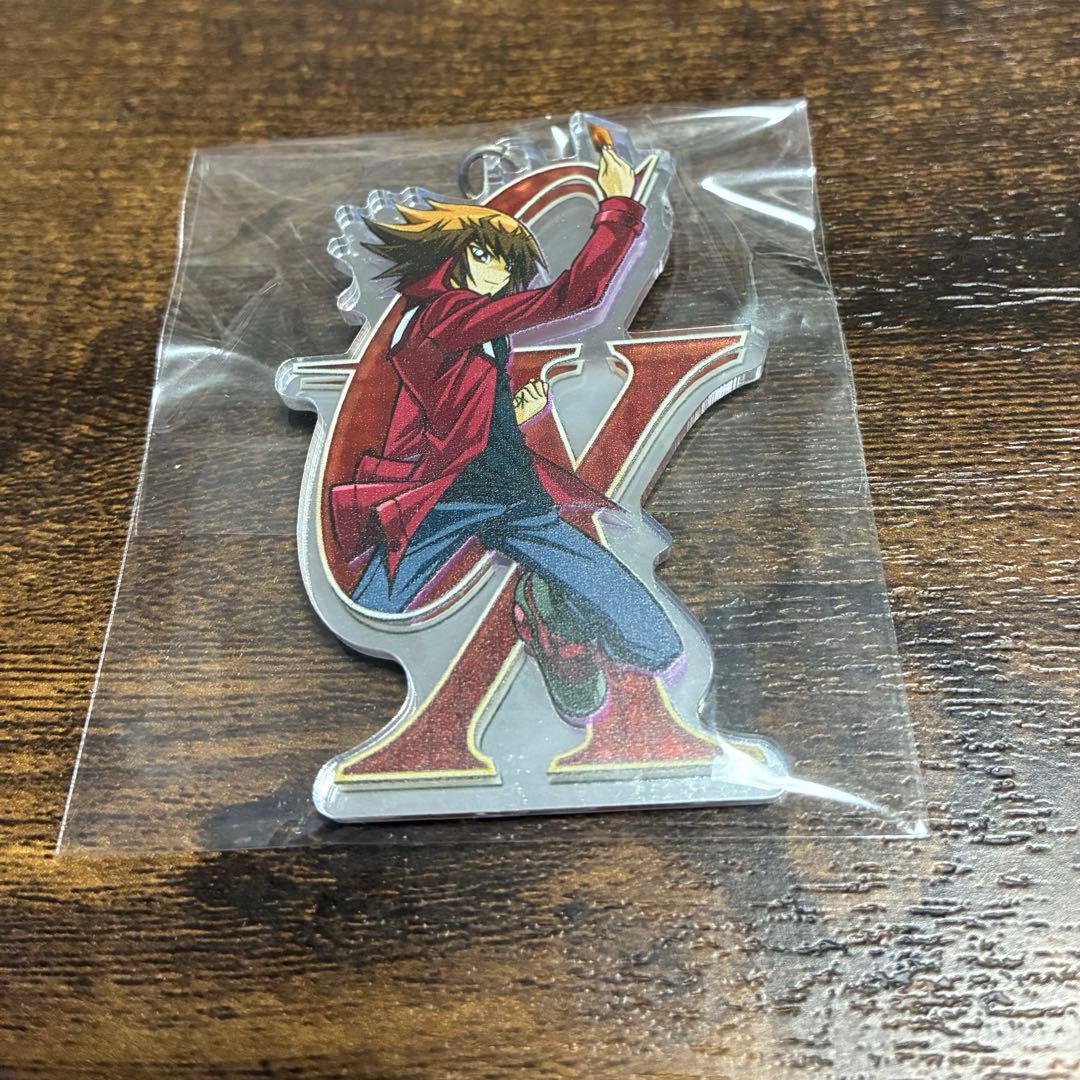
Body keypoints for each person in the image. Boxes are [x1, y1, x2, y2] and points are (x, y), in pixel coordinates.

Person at [329, 144, 682, 722]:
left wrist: (510, 414)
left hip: (503, 480)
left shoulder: (465, 324)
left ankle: (639, 642)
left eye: (505, 262)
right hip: (454, 489)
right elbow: (577, 295)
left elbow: (437, 408)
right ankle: (638, 640)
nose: (496, 272)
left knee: (602, 585)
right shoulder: (445, 314)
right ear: (450, 255)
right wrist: (619, 206)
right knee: (378, 599)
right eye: (483, 254)